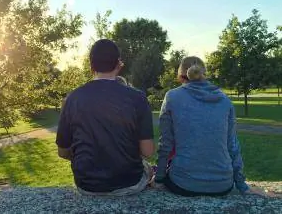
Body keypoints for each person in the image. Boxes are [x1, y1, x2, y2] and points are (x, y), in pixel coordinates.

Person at [153, 56, 265, 197]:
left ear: (181, 77)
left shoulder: (172, 97)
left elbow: (166, 143)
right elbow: (233, 146)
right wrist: (242, 185)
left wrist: (159, 178)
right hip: (223, 185)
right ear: (204, 74)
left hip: (184, 183)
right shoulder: (224, 100)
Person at [56, 39, 155, 196]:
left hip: (87, 184)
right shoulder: (138, 98)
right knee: (149, 168)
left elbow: (63, 152)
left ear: (91, 65)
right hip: (129, 182)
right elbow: (148, 151)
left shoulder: (73, 98)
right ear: (118, 64)